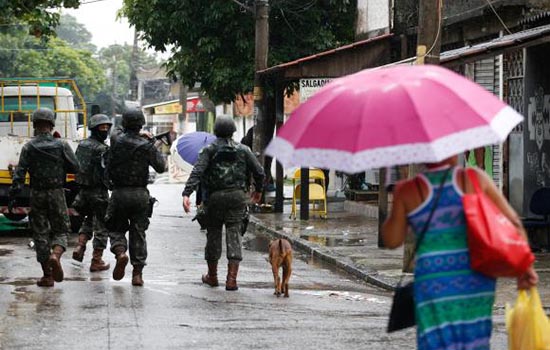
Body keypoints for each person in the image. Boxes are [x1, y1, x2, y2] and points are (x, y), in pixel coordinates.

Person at [381, 156, 538, 350]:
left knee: (435, 342)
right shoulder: (475, 178)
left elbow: (392, 240)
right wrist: (525, 267)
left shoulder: (407, 191)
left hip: (433, 284)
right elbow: (513, 223)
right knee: (474, 340)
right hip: (476, 279)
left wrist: (394, 199)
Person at [182, 115, 265, 291]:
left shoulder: (208, 150)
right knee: (234, 234)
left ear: (216, 131)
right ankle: (231, 280)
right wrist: (258, 190)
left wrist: (187, 193)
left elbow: (197, 171)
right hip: (237, 197)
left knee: (213, 235)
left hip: (214, 198)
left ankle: (212, 276)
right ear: (233, 131)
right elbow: (259, 171)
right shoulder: (244, 150)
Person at [9, 108, 80, 287]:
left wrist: (13, 196)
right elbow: (76, 167)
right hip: (57, 193)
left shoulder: (29, 147)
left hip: (37, 194)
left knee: (40, 233)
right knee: (61, 230)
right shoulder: (61, 145)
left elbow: (20, 173)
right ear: (51, 124)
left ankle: (47, 275)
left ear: (35, 124)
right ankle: (55, 255)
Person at [104, 108, 166, 286]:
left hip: (119, 193)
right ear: (141, 124)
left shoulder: (116, 140)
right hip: (140, 194)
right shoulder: (146, 146)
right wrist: (151, 143)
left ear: (124, 123)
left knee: (116, 228)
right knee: (138, 233)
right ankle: (137, 274)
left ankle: (120, 253)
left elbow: (115, 132)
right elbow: (161, 167)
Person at [71, 114, 113, 272]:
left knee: (88, 220)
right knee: (101, 226)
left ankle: (80, 245)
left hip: (83, 192)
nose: (105, 130)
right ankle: (97, 260)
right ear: (95, 129)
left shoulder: (82, 145)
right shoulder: (102, 149)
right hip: (99, 192)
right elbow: (108, 171)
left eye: (106, 127)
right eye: (102, 128)